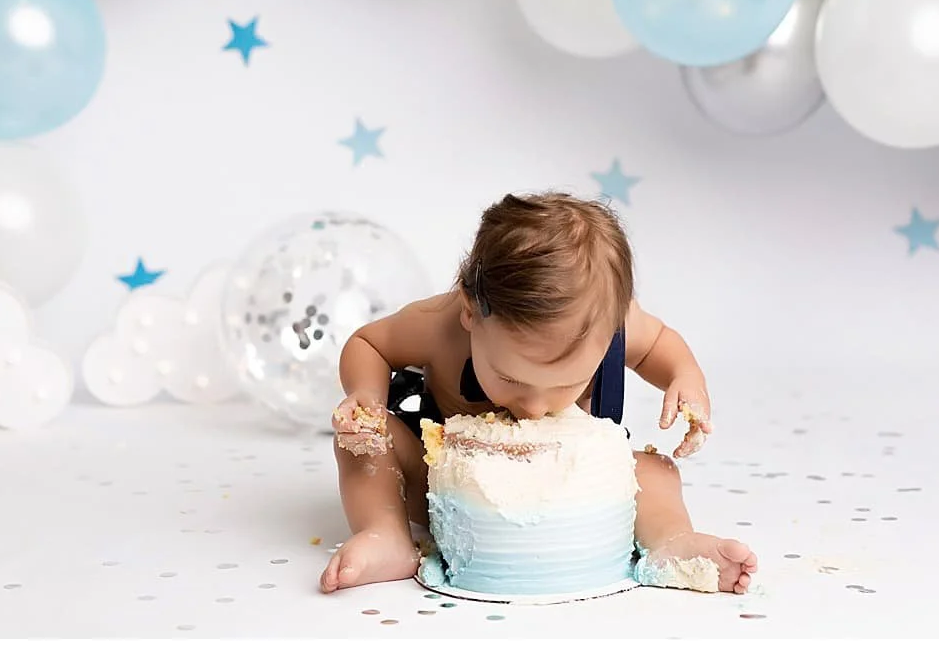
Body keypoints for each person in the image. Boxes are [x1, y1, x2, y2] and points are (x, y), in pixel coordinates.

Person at [321, 192, 756, 596]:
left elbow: (660, 343)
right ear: (472, 313)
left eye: (568, 385)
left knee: (655, 473)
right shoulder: (439, 324)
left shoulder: (609, 320)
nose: (533, 408)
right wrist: (365, 396)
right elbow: (369, 344)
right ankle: (385, 534)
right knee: (365, 438)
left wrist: (685, 377)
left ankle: (672, 544)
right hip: (444, 491)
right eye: (510, 380)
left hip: (574, 485)